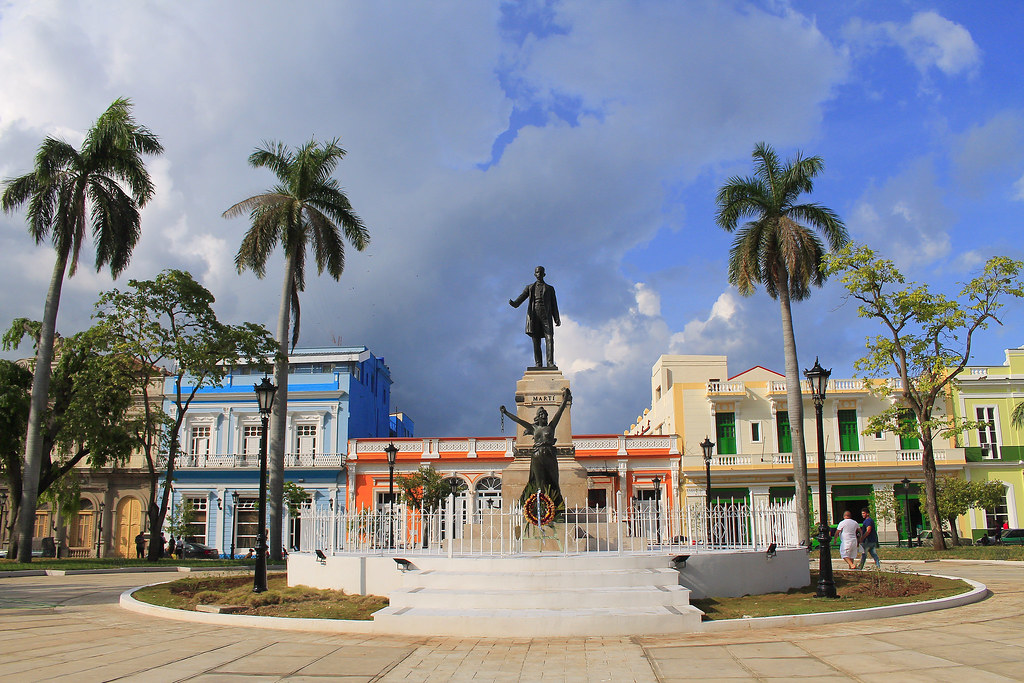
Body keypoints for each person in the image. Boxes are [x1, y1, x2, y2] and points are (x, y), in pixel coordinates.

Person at [500, 387, 572, 508]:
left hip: (549, 454)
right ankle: (540, 505)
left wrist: (565, 399)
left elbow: (559, 412)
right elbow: (519, 420)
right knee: (539, 481)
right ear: (537, 417)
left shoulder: (551, 426)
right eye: (541, 414)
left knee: (553, 480)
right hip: (537, 454)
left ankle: (554, 504)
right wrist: (506, 412)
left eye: (545, 414)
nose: (543, 416)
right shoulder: (534, 428)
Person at [509, 266, 560, 368]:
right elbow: (522, 296)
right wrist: (515, 304)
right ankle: (538, 363)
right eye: (537, 272)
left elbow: (554, 304)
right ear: (535, 274)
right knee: (536, 339)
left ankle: (550, 363)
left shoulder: (550, 289)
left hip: (546, 314)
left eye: (541, 272)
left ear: (544, 274)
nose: (539, 274)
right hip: (534, 314)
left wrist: (557, 318)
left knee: (549, 338)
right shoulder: (530, 287)